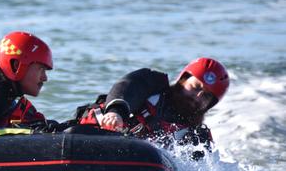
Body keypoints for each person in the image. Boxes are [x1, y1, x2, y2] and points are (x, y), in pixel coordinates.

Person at [76, 57, 230, 147]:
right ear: (182, 79)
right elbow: (129, 87)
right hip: (102, 142)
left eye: (206, 97)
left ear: (210, 105)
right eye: (195, 87)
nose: (197, 96)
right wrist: (116, 112)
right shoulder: (152, 85)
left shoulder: (197, 137)